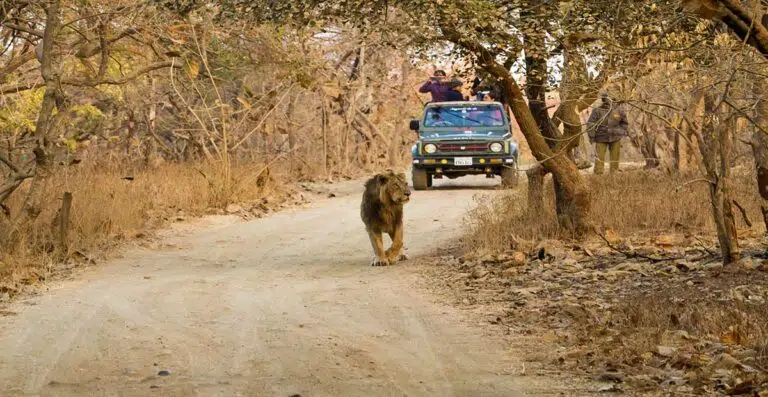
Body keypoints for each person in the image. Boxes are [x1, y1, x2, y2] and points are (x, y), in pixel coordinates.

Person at [586, 92, 629, 174]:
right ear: (603, 100)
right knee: (599, 159)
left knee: (615, 159)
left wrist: (618, 132)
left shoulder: (620, 111)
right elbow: (590, 124)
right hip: (600, 138)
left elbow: (625, 124)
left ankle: (614, 176)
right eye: (605, 99)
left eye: (609, 99)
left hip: (615, 138)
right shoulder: (597, 110)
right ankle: (598, 177)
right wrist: (592, 138)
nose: (607, 101)